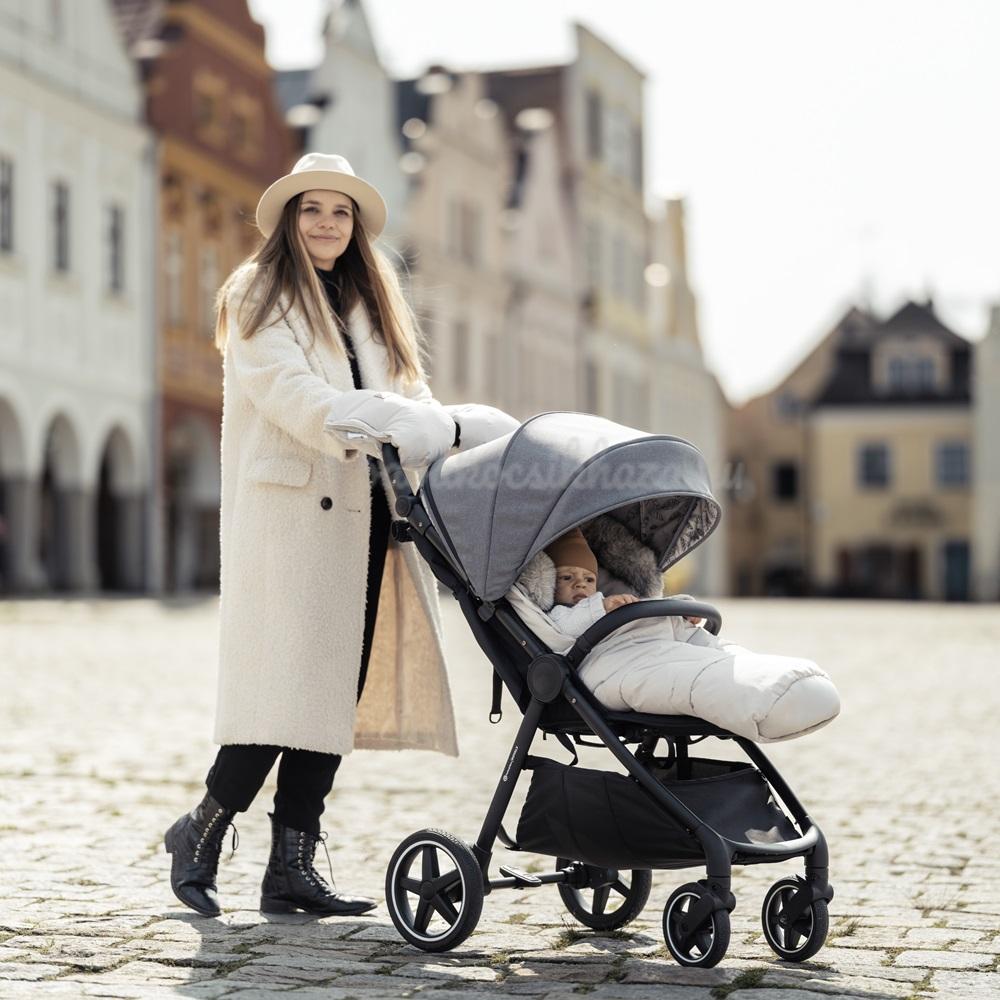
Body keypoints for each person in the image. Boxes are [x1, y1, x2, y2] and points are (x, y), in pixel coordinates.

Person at [163, 152, 516, 919]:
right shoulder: (258, 291)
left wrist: (453, 429)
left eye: (341, 211)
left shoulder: (370, 302)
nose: (327, 223)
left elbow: (414, 396)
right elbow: (291, 395)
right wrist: (393, 420)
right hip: (290, 521)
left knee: (330, 696)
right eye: (312, 208)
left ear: (355, 225)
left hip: (368, 519)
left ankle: (290, 866)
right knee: (279, 691)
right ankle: (201, 831)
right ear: (289, 219)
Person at [544, 528, 701, 634]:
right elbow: (568, 625)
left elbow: (645, 605)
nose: (581, 584)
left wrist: (681, 606)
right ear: (550, 583)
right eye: (567, 577)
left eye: (589, 579)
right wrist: (602, 607)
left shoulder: (607, 602)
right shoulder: (557, 615)